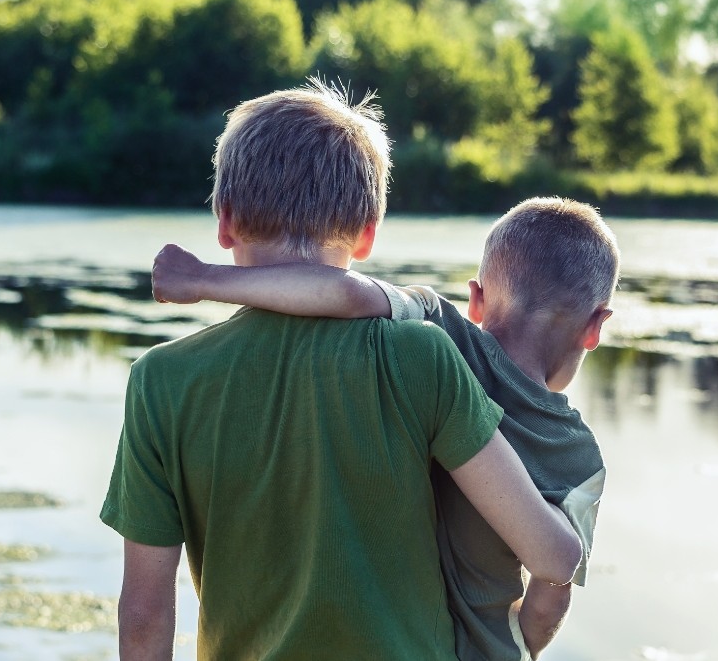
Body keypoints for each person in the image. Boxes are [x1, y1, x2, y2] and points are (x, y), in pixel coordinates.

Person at [101, 82, 582, 661]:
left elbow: (145, 609)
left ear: (224, 222)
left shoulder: (160, 381)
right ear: (368, 233)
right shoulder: (421, 357)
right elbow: (550, 556)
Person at [150, 196, 618, 660]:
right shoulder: (579, 456)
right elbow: (552, 590)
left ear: (477, 300)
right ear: (595, 327)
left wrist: (204, 279)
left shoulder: (444, 332)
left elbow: (346, 292)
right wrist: (513, 645)